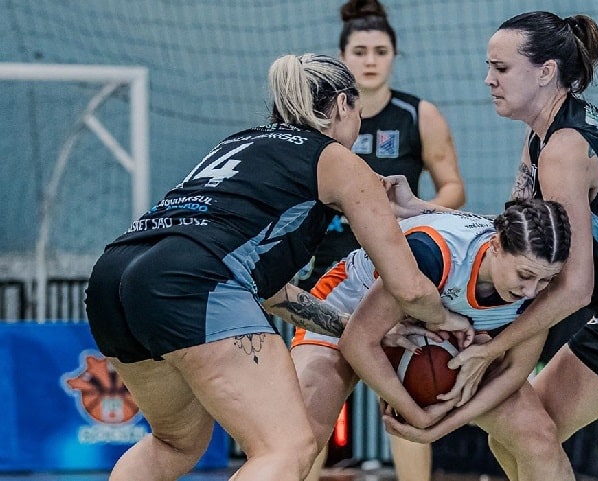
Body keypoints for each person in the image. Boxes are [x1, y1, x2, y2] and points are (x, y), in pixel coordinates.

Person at [382, 11, 598, 481]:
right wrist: (425, 209)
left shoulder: (565, 148)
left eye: (501, 68)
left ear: (546, 71)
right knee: (525, 436)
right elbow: (518, 238)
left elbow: (574, 287)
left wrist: (495, 348)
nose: (489, 79)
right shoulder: (541, 138)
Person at [83, 53, 469, 481]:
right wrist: (448, 320)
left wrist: (363, 327)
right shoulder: (337, 159)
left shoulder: (240, 142)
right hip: (194, 279)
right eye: (358, 111)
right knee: (287, 447)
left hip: (113, 278)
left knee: (176, 443)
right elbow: (410, 287)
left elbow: (270, 290)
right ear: (342, 104)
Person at [293, 2, 465, 479]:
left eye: (381, 51)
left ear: (394, 56)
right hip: (329, 274)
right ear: (342, 56)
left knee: (407, 401)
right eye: (360, 51)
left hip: (392, 273)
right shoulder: (317, 118)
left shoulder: (417, 113)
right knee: (312, 407)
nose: (370, 60)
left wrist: (412, 210)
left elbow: (453, 187)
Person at [290, 199, 573, 481]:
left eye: (545, 280)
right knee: (300, 437)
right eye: (525, 275)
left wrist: (441, 424)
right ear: (496, 246)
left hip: (436, 328)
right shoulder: (434, 253)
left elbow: (514, 371)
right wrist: (412, 411)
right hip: (353, 303)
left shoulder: (543, 290)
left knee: (539, 437)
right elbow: (359, 342)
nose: (532, 291)